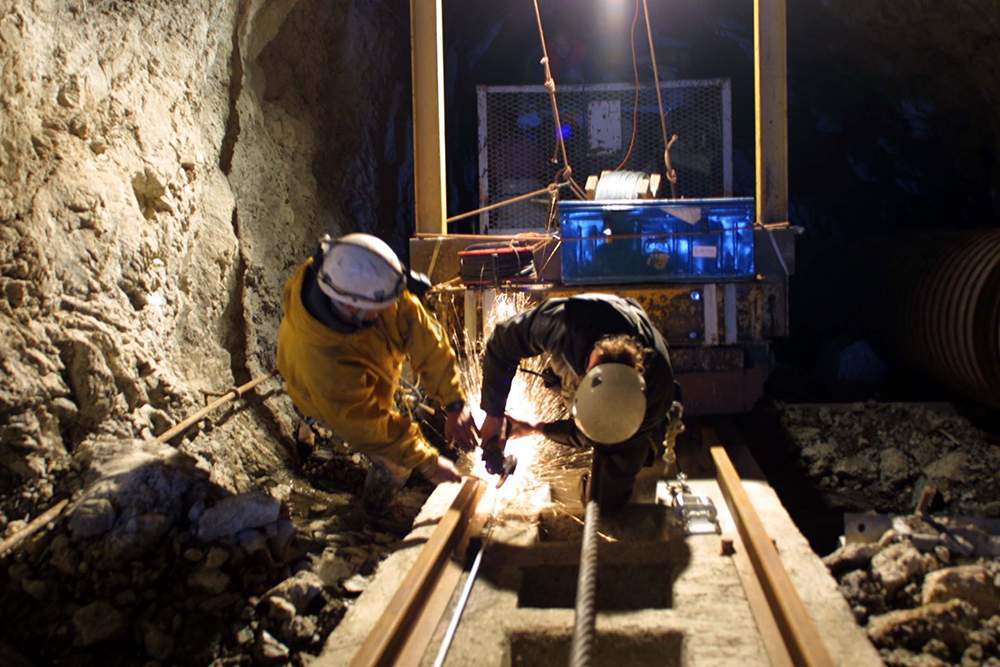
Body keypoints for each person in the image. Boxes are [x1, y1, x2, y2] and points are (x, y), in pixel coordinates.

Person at [277, 233, 476, 516]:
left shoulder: (363, 282)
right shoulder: (324, 361)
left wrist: (455, 402)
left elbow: (425, 337)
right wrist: (429, 464)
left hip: (368, 368)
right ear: (350, 308)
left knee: (397, 424)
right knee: (397, 464)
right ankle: (369, 516)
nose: (391, 309)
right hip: (323, 396)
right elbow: (369, 426)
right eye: (381, 308)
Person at [479, 293, 676, 510]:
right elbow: (502, 343)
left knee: (606, 502)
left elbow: (591, 434)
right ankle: (560, 382)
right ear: (586, 374)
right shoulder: (559, 326)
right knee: (555, 379)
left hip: (641, 407)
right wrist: (493, 414)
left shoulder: (655, 394)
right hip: (580, 330)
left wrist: (536, 429)